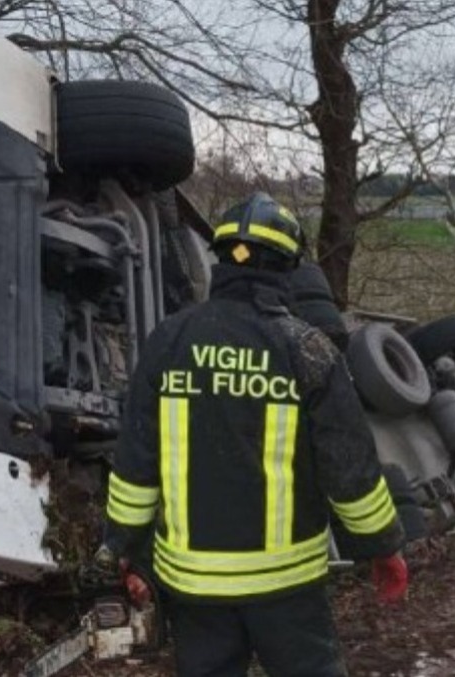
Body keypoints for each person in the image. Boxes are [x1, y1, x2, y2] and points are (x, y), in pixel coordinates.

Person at [102, 192, 407, 677]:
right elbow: (350, 472)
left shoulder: (168, 342)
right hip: (286, 589)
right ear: (287, 266)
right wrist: (382, 546)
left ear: (221, 258)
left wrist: (124, 548)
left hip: (194, 586)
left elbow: (136, 465)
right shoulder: (306, 350)